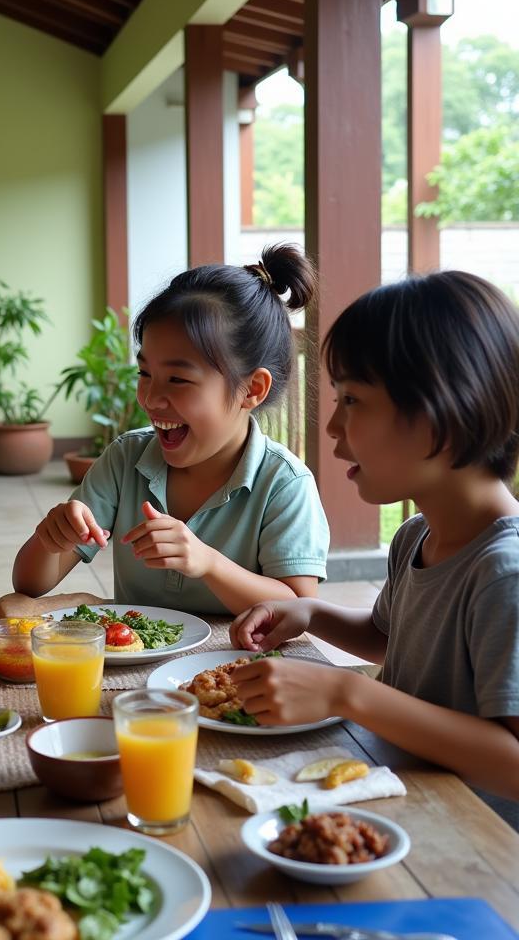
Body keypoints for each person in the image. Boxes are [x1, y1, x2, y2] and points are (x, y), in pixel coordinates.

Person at [229, 271, 519, 825]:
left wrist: (347, 693)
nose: (334, 425)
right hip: (404, 804)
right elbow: (390, 640)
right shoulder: (418, 535)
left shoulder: (505, 571)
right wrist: (311, 612)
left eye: (353, 400)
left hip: (481, 849)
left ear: (443, 410)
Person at [13, 244, 329, 615]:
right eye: (144, 373)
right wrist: (51, 539)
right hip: (134, 669)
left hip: (235, 668)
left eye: (177, 379)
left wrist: (208, 563)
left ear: (252, 390)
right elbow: (29, 583)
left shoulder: (284, 483)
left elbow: (300, 608)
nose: (150, 397)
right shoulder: (125, 459)